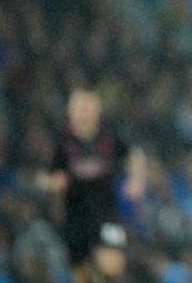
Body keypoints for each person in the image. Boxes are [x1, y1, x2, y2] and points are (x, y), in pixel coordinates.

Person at [47, 88, 146, 283]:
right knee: (81, 272)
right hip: (76, 216)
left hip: (105, 212)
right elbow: (48, 175)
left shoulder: (108, 137)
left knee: (113, 264)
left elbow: (135, 155)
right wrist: (54, 187)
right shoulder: (62, 142)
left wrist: (137, 180)